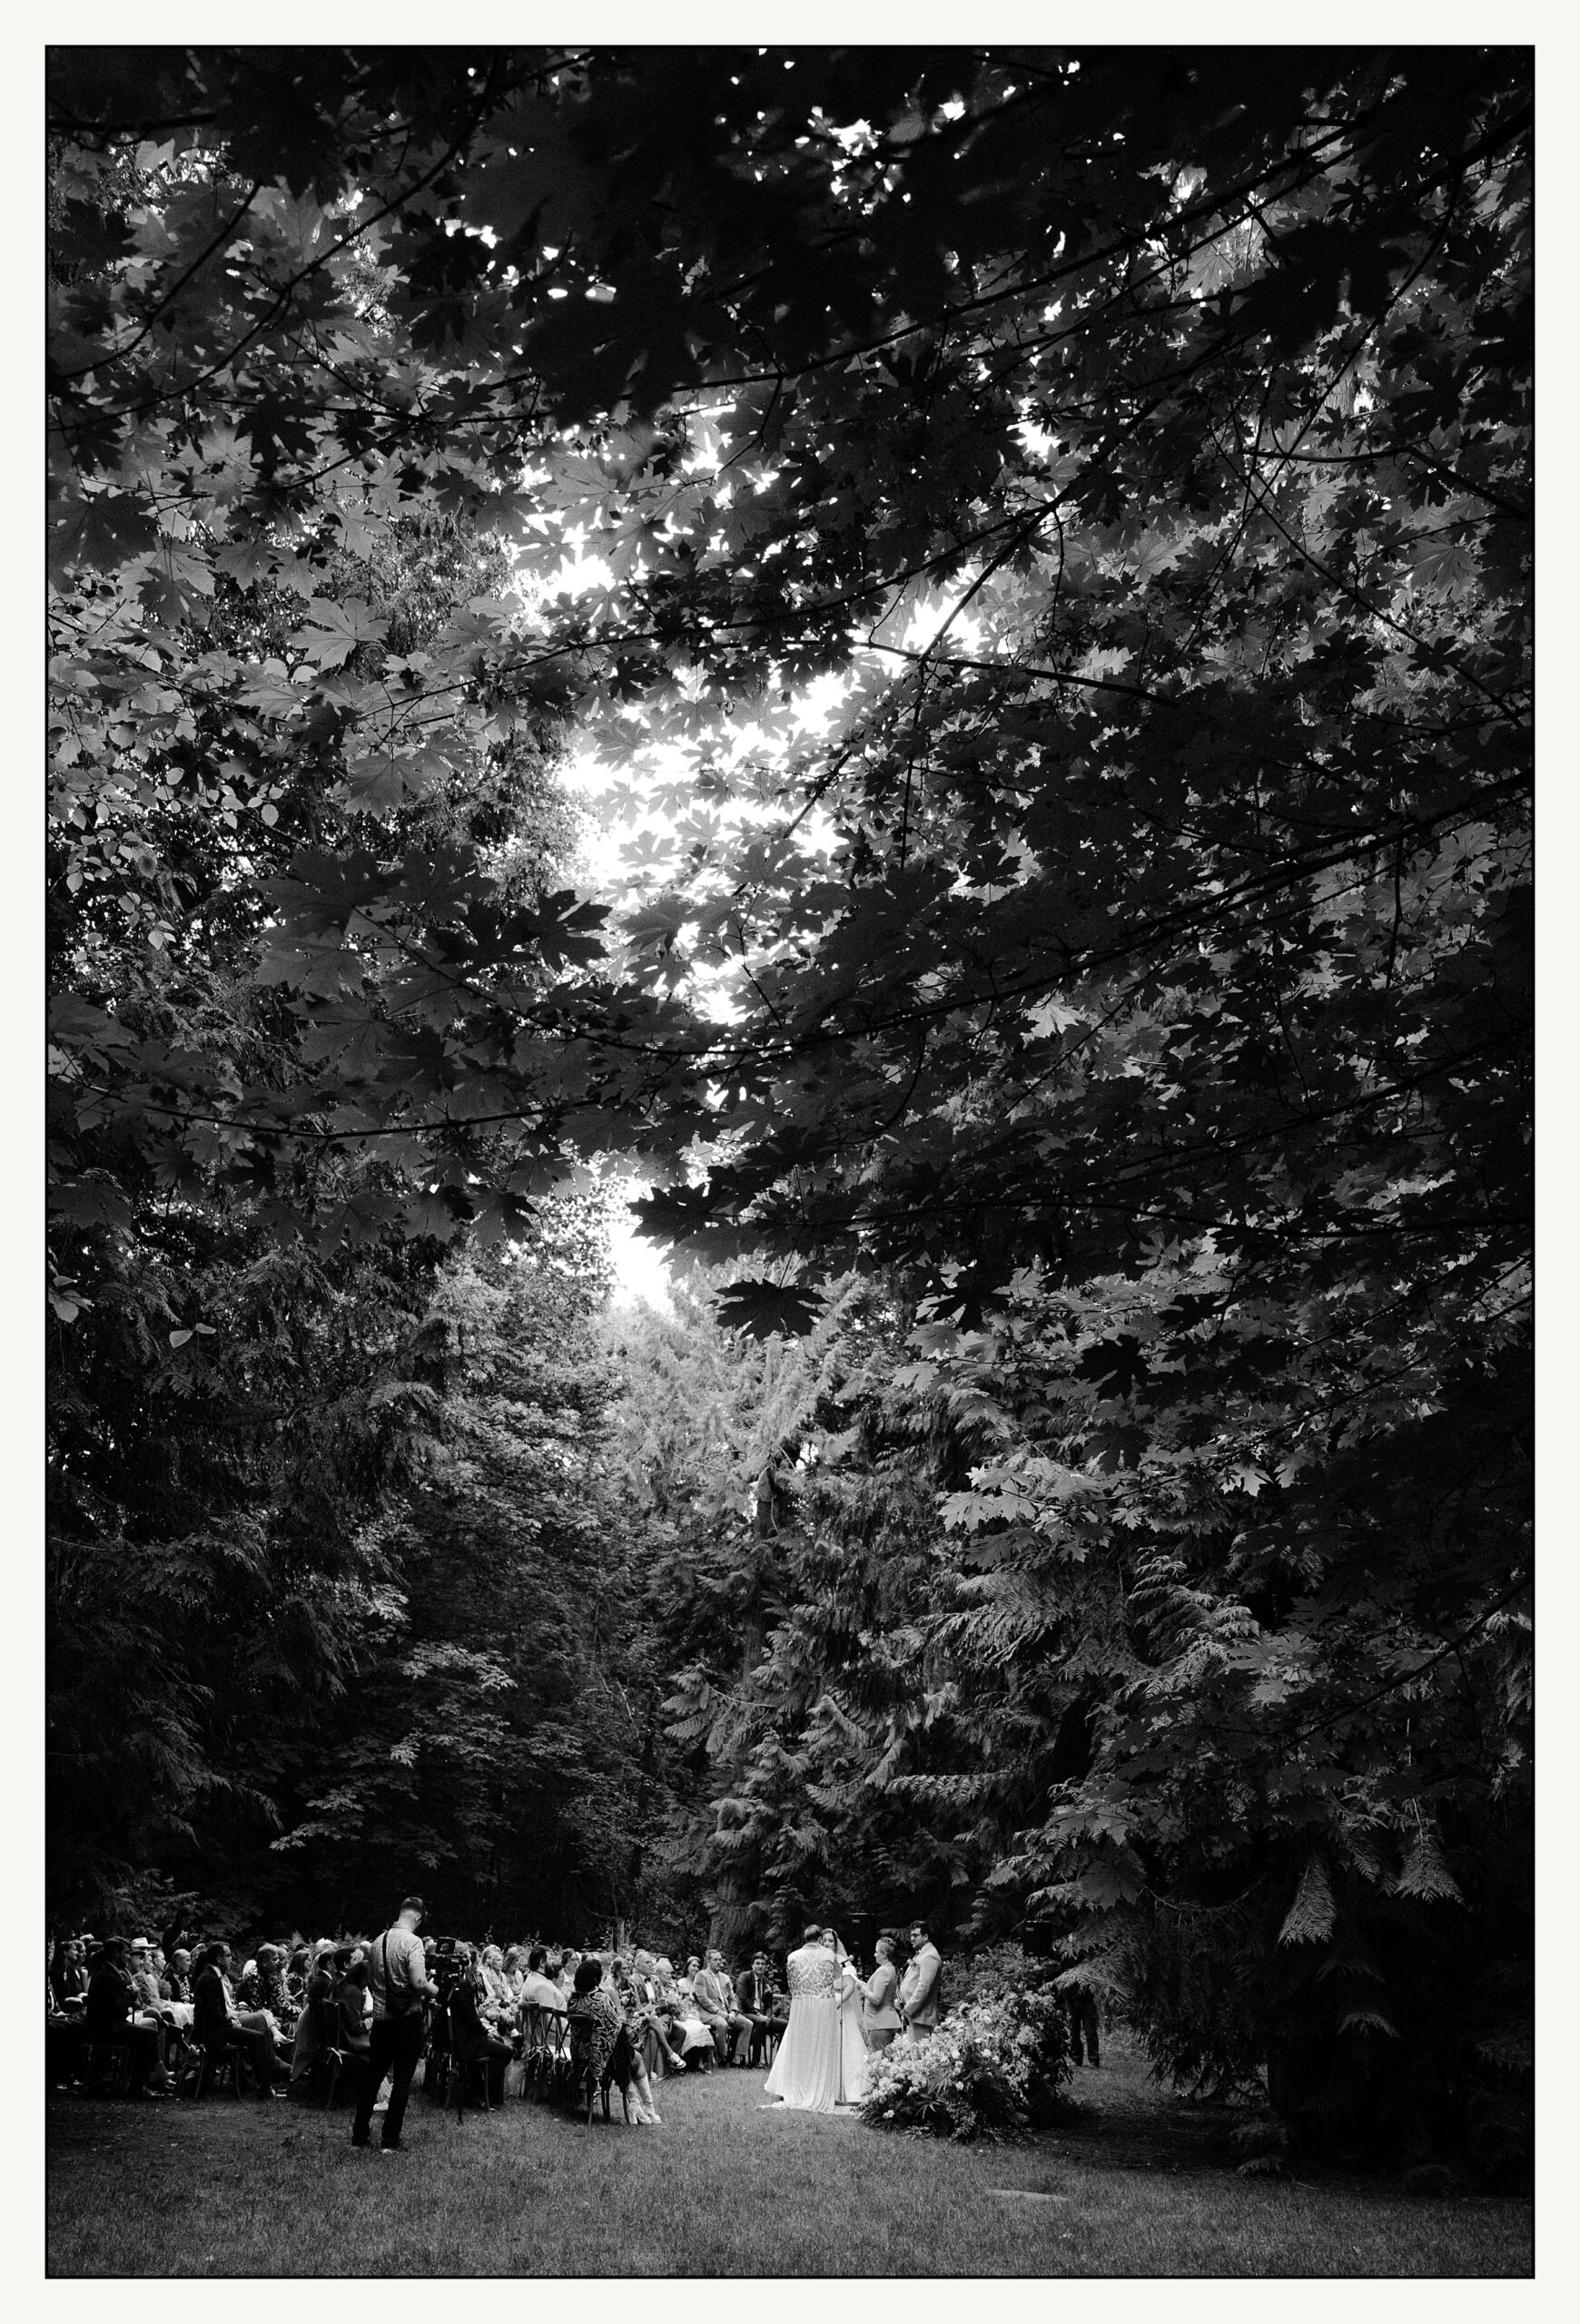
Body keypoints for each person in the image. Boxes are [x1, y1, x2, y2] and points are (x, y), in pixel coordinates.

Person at [351, 1896, 440, 2153]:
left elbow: (371, 1978)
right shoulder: (413, 1943)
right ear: (418, 1917)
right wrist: (436, 1990)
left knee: (373, 2078)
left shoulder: (378, 1942)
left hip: (380, 2020)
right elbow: (419, 1983)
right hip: (406, 2021)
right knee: (402, 2080)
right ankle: (390, 2140)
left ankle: (359, 2136)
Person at [763, 1925, 842, 2112]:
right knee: (821, 2046)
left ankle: (798, 2087)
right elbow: (837, 1977)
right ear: (820, 1939)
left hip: (801, 2005)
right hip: (823, 2005)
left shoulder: (793, 1957)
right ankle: (818, 2088)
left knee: (800, 2047)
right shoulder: (829, 1956)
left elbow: (791, 1983)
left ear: (804, 1938)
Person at [193, 1942, 283, 2096]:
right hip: (215, 2033)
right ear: (219, 1959)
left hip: (217, 2028)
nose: (231, 1960)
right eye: (228, 1956)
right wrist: (231, 2021)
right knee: (258, 2038)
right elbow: (214, 2016)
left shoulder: (213, 1976)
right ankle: (265, 2084)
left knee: (259, 2024)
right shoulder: (210, 1978)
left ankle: (262, 2079)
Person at [84, 1941, 167, 2097]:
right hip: (106, 2028)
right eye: (125, 1953)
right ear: (116, 1954)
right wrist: (130, 1995)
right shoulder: (108, 1976)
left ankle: (142, 2079)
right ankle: (139, 2086)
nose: (127, 1957)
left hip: (105, 2025)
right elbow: (116, 2011)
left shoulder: (108, 1972)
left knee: (145, 2031)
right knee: (148, 2035)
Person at [449, 1946, 514, 2107]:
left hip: (456, 2038)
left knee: (497, 2041)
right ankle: (486, 2093)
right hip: (466, 2042)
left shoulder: (452, 1982)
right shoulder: (464, 1986)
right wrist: (486, 2033)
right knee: (505, 2052)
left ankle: (480, 2088)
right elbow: (471, 2020)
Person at [827, 1929, 871, 2104]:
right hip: (826, 2004)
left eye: (830, 1941)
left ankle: (851, 2090)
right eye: (824, 1941)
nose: (826, 1944)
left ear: (836, 1944)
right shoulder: (822, 1962)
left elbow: (850, 1987)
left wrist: (838, 2002)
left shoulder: (845, 1963)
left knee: (847, 2046)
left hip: (842, 2006)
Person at [692, 1948, 754, 2066]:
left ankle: (737, 2057)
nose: (719, 1962)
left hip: (727, 2012)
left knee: (747, 2024)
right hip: (709, 2013)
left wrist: (733, 2012)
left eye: (720, 1959)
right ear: (708, 1961)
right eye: (715, 1960)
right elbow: (703, 1999)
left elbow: (732, 1998)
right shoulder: (701, 1976)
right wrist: (720, 2013)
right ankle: (722, 2057)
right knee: (722, 2024)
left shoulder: (725, 1977)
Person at [898, 1922, 943, 2043]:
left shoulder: (930, 1956)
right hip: (915, 2017)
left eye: (915, 1935)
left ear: (926, 1937)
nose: (911, 1939)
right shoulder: (921, 1954)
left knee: (920, 2056)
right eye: (911, 1935)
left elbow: (924, 1987)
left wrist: (908, 2009)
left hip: (922, 2017)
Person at [857, 1936, 903, 2051]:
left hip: (880, 2023)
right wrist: (866, 1986)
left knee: (881, 2061)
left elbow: (877, 1999)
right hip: (886, 2021)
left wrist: (863, 1989)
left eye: (877, 1952)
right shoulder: (890, 1969)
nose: (874, 1955)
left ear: (884, 1954)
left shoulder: (883, 1971)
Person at [734, 1952, 777, 2065]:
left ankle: (780, 2062)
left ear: (766, 1967)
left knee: (784, 2025)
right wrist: (759, 2016)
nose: (760, 1966)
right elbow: (744, 2000)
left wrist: (767, 2016)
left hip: (762, 2015)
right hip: (746, 2012)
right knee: (760, 2023)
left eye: (763, 1964)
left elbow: (768, 2004)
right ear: (752, 1965)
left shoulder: (767, 1982)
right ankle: (755, 2061)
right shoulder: (745, 1977)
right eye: (757, 1963)